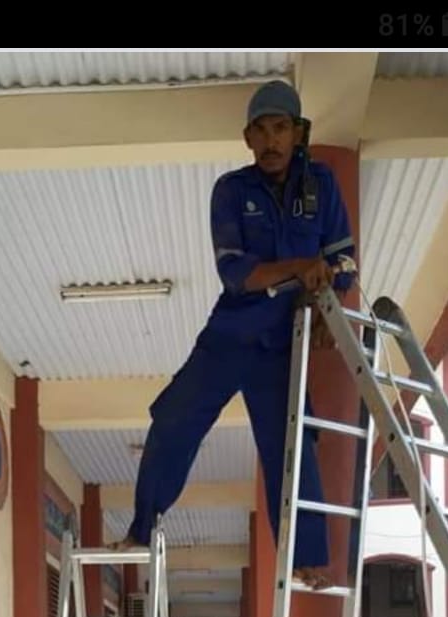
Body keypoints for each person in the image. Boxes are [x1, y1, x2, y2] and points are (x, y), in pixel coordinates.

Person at [120, 80, 356, 589]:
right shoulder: (231, 190)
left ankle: (306, 558)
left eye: (280, 128)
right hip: (232, 333)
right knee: (173, 417)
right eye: (261, 131)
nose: (271, 141)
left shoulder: (323, 184)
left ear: (297, 133)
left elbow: (344, 262)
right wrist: (302, 268)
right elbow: (237, 274)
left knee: (292, 446)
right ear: (247, 138)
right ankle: (142, 528)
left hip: (284, 344)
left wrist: (323, 296)